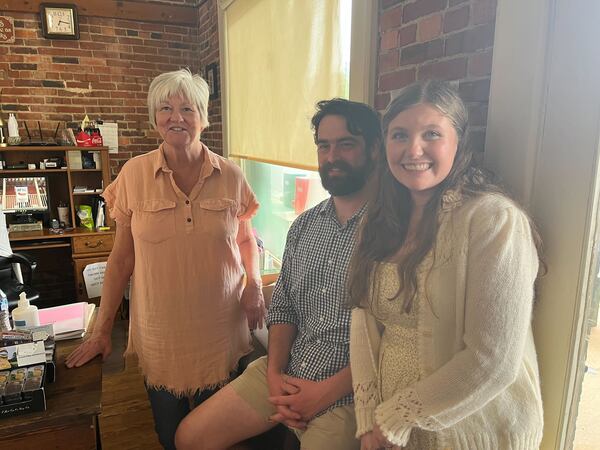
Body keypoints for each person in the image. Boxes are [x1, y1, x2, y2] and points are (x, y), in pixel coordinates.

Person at [65, 68, 265, 450]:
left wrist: (254, 285)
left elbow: (245, 239)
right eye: (166, 108)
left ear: (203, 117)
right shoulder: (133, 174)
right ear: (154, 118)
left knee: (220, 437)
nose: (177, 117)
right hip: (160, 334)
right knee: (169, 436)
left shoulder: (232, 175)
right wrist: (101, 330)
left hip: (220, 331)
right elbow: (121, 260)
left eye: (187, 108)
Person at [174, 98, 382, 450]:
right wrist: (273, 374)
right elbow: (284, 307)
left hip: (349, 395)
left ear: (375, 150)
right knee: (189, 437)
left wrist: (320, 395)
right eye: (324, 146)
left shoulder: (392, 232)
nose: (332, 157)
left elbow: (394, 342)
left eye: (346, 144)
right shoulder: (304, 226)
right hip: (288, 371)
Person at [348, 80, 544, 450]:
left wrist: (396, 419)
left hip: (470, 433)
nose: (413, 149)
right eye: (399, 135)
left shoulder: (493, 220)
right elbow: (364, 322)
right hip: (391, 428)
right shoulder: (377, 218)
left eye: (432, 133)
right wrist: (369, 419)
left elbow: (493, 360)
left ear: (458, 142)